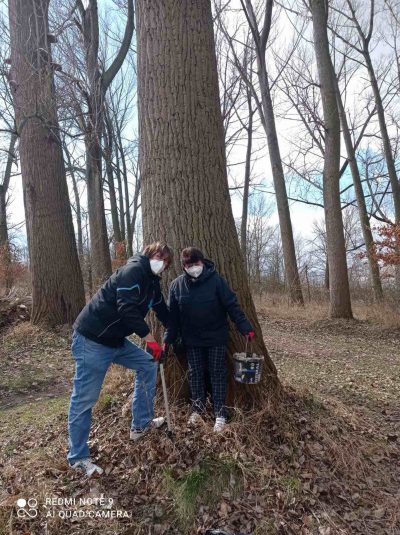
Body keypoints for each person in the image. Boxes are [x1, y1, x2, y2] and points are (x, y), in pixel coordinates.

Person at [67, 242, 172, 476]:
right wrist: (151, 340)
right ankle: (78, 458)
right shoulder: (133, 271)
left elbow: (163, 311)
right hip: (92, 339)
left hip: (115, 340)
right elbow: (127, 309)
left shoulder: (153, 284)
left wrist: (172, 332)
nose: (161, 262)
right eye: (158, 256)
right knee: (85, 399)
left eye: (165, 261)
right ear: (148, 254)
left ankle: (141, 425)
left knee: (147, 364)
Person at [164, 247, 254, 433]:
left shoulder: (217, 281)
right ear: (183, 266)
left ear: (202, 263)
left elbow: (232, 306)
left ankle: (220, 413)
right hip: (191, 339)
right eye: (189, 265)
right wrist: (167, 340)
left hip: (216, 337)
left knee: (217, 373)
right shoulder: (177, 286)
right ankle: (198, 407)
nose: (193, 268)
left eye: (196, 264)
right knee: (195, 373)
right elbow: (172, 319)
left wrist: (245, 327)